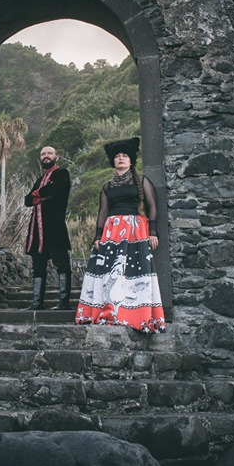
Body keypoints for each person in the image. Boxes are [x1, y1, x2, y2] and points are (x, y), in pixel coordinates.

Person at [75, 137, 166, 333]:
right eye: (117, 156)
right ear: (113, 162)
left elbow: (153, 206)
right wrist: (98, 237)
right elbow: (102, 212)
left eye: (124, 156)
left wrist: (152, 232)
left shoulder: (142, 181)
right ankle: (108, 312)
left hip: (136, 231)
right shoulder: (108, 186)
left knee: (133, 273)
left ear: (131, 160)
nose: (121, 159)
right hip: (112, 231)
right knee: (110, 274)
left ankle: (134, 315)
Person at [23, 145, 73, 310]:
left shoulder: (62, 174)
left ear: (56, 157)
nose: (46, 156)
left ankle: (64, 303)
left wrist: (37, 195)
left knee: (62, 264)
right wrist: (41, 196)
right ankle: (37, 303)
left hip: (55, 228)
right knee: (38, 267)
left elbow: (56, 189)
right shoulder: (39, 179)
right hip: (37, 231)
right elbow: (27, 201)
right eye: (43, 154)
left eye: (49, 153)